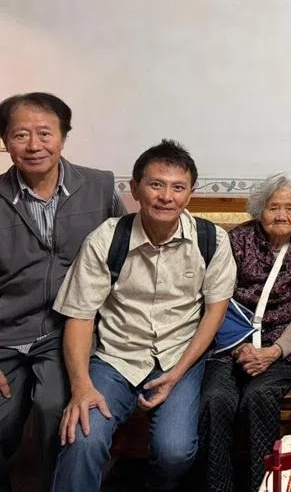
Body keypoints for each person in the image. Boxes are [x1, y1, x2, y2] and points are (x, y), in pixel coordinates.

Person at [51, 140, 236, 492]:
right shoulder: (107, 238)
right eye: (156, 184)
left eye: (178, 187)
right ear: (135, 189)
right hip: (115, 356)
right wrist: (80, 387)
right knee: (82, 436)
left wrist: (178, 372)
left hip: (179, 356)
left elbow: (215, 311)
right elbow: (79, 315)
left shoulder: (212, 239)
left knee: (175, 451)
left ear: (190, 194)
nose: (167, 196)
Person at [0, 92, 124, 492]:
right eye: (21, 135)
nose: (34, 146)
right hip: (5, 333)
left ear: (63, 138)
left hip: (65, 329)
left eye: (44, 133)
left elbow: (126, 251)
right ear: (5, 141)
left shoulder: (100, 186)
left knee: (57, 409)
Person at [198, 174, 291, 492]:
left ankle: (264, 484)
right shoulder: (238, 239)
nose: (282, 215)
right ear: (260, 210)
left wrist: (273, 352)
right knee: (216, 399)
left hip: (286, 349)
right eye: (274, 207)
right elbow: (218, 299)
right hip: (232, 344)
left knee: (259, 396)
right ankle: (219, 486)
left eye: (290, 208)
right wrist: (238, 348)